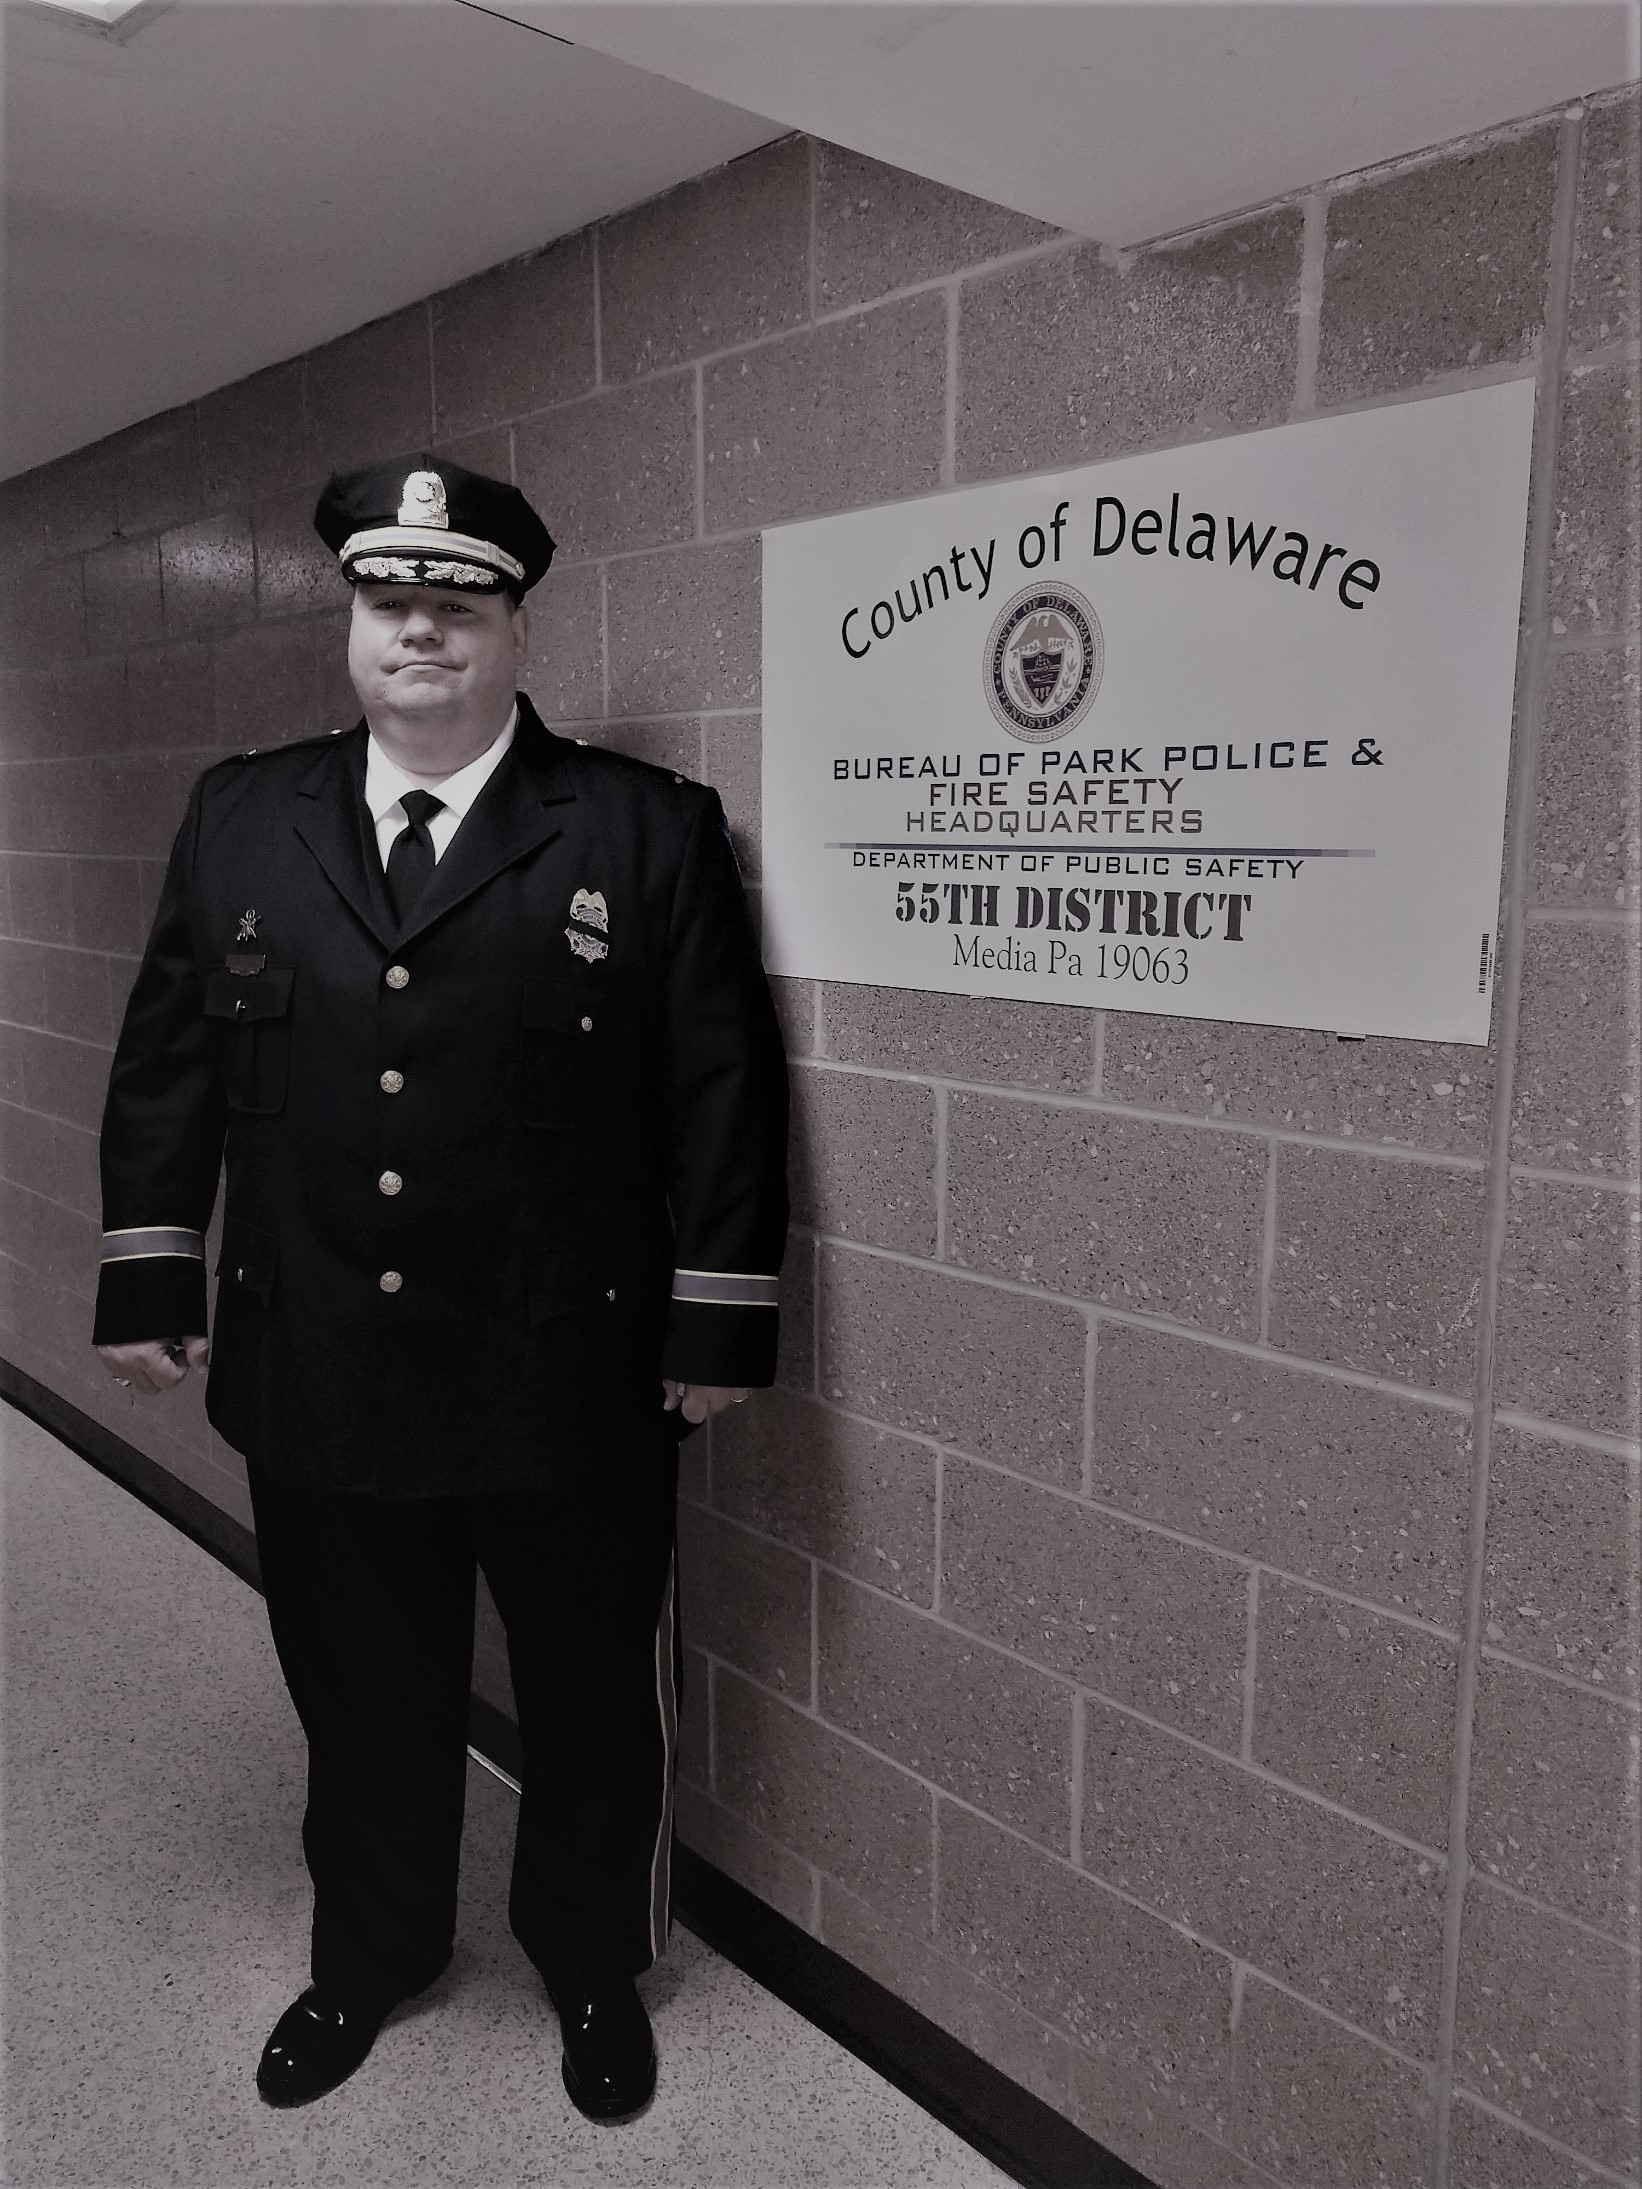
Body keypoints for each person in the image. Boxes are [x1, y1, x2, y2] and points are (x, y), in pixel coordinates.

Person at [91, 456, 789, 2119]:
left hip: (570, 1372)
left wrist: (715, 1320)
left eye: (457, 601)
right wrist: (147, 1269)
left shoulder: (641, 827)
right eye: (386, 597)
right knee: (361, 1694)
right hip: (320, 1359)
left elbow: (721, 1088)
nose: (418, 627)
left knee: (589, 1695)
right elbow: (168, 1059)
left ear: (517, 627)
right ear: (350, 621)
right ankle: (371, 1950)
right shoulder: (238, 816)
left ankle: (592, 1961)